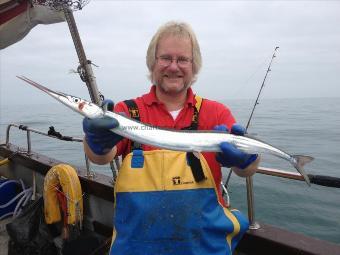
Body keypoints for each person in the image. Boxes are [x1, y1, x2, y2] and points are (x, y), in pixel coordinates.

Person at [83, 21, 260, 255]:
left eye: (183, 59)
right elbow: (99, 157)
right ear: (153, 63)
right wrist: (96, 140)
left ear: (194, 66)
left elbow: (247, 171)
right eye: (165, 58)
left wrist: (246, 160)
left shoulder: (216, 112)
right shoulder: (128, 112)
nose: (174, 67)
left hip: (204, 247)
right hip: (138, 247)